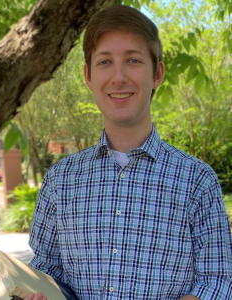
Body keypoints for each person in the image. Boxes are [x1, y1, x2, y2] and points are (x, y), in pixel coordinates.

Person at [24, 5, 232, 300]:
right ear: (88, 76)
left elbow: (217, 280)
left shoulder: (198, 181)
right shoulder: (60, 180)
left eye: (133, 60)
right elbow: (46, 266)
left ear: (157, 73)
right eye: (105, 62)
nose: (118, 77)